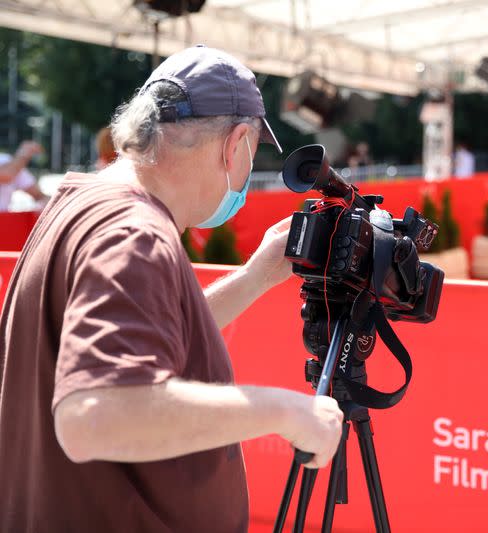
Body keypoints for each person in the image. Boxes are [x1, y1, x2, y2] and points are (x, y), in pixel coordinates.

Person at [0, 45, 343, 532]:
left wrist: (255, 277)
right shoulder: (133, 233)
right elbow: (92, 417)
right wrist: (286, 410)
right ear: (235, 143)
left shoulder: (83, 200)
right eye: (251, 154)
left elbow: (143, 332)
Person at [0, 140, 47, 211]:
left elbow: (40, 196)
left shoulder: (8, 161)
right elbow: (6, 175)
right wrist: (24, 154)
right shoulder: (15, 163)